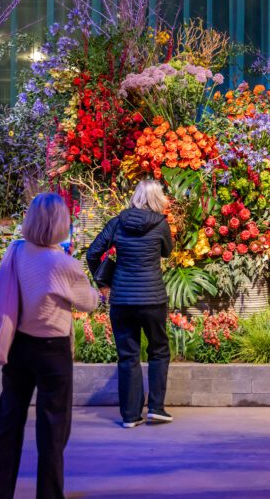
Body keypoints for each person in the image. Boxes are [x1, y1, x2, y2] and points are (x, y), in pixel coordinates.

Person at [0, 193, 101, 499]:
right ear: (61, 222)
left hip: (17, 346)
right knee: (53, 432)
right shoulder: (63, 264)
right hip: (52, 352)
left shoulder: (16, 251)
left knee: (7, 422)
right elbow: (89, 303)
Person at [87, 179, 174, 428]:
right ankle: (156, 408)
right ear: (157, 199)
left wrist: (104, 283)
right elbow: (167, 251)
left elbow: (93, 252)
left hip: (122, 299)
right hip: (152, 298)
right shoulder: (160, 224)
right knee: (158, 350)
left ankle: (130, 416)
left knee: (128, 356)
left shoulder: (117, 222)